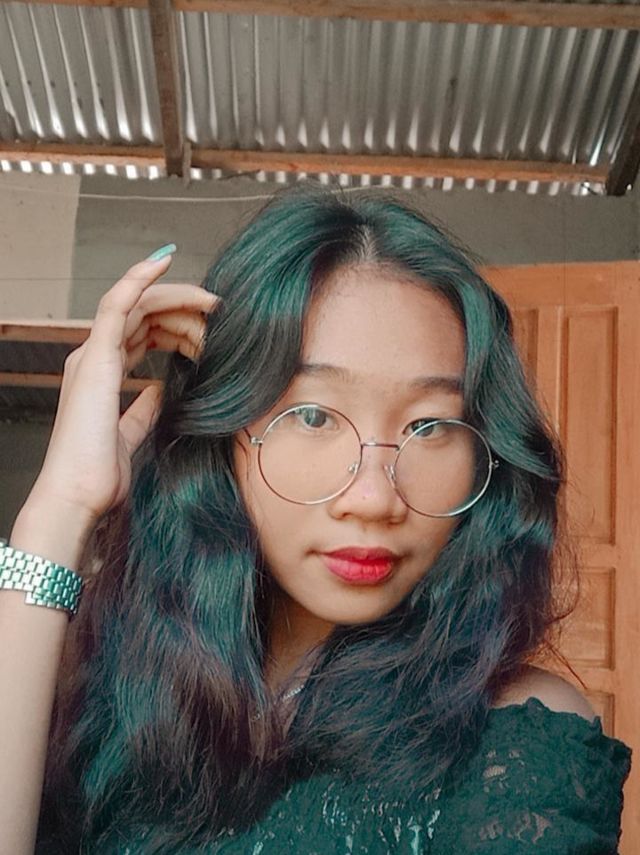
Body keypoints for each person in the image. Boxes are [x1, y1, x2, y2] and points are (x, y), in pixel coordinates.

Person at [0, 186, 631, 854]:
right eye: (312, 415)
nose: (375, 498)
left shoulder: (516, 747)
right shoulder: (100, 676)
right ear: (224, 437)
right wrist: (59, 509)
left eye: (430, 425)